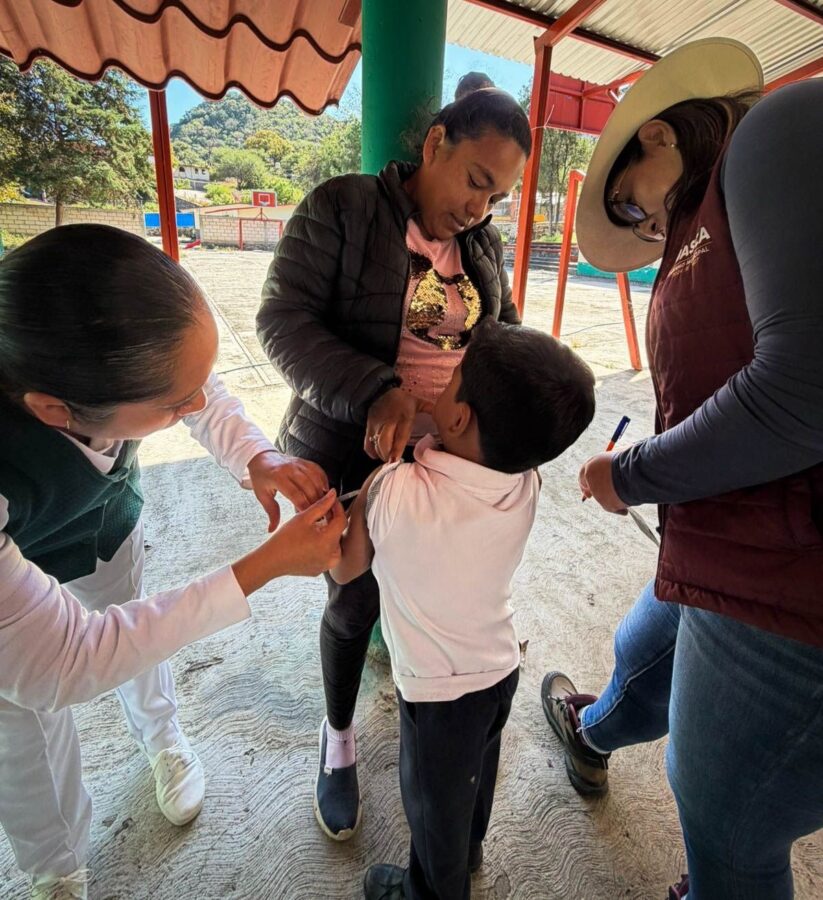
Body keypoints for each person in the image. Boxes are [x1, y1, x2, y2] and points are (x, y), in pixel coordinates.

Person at [538, 38, 823, 900]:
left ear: (658, 135)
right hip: (732, 530)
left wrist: (628, 474)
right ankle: (592, 732)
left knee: (723, 819)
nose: (644, 229)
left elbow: (798, 392)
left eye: (631, 204)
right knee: (643, 644)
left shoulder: (780, 128)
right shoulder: (716, 207)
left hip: (791, 578)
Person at [0, 224, 346, 900]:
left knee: (135, 620)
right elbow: (64, 662)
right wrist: (265, 565)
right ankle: (55, 863)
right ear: (54, 410)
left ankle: (160, 734)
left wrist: (257, 456)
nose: (196, 404)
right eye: (173, 406)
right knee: (20, 717)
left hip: (100, 528)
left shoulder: (91, 359)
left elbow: (200, 391)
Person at [257, 87, 532, 842]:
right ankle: (339, 736)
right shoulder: (342, 209)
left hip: (450, 462)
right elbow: (281, 321)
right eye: (475, 181)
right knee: (354, 602)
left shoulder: (481, 248)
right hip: (349, 447)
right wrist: (376, 388)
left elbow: (504, 335)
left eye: (496, 197)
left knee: (439, 602)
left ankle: (428, 728)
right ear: (435, 143)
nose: (479, 208)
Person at [330, 318, 595, 900]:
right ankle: (469, 848)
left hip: (438, 697)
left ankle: (428, 890)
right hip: (498, 672)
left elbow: (345, 569)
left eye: (450, 380)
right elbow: (474, 444)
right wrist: (436, 423)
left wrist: (356, 500)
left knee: (430, 815)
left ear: (459, 418)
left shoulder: (393, 490)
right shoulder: (525, 483)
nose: (437, 388)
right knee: (471, 786)